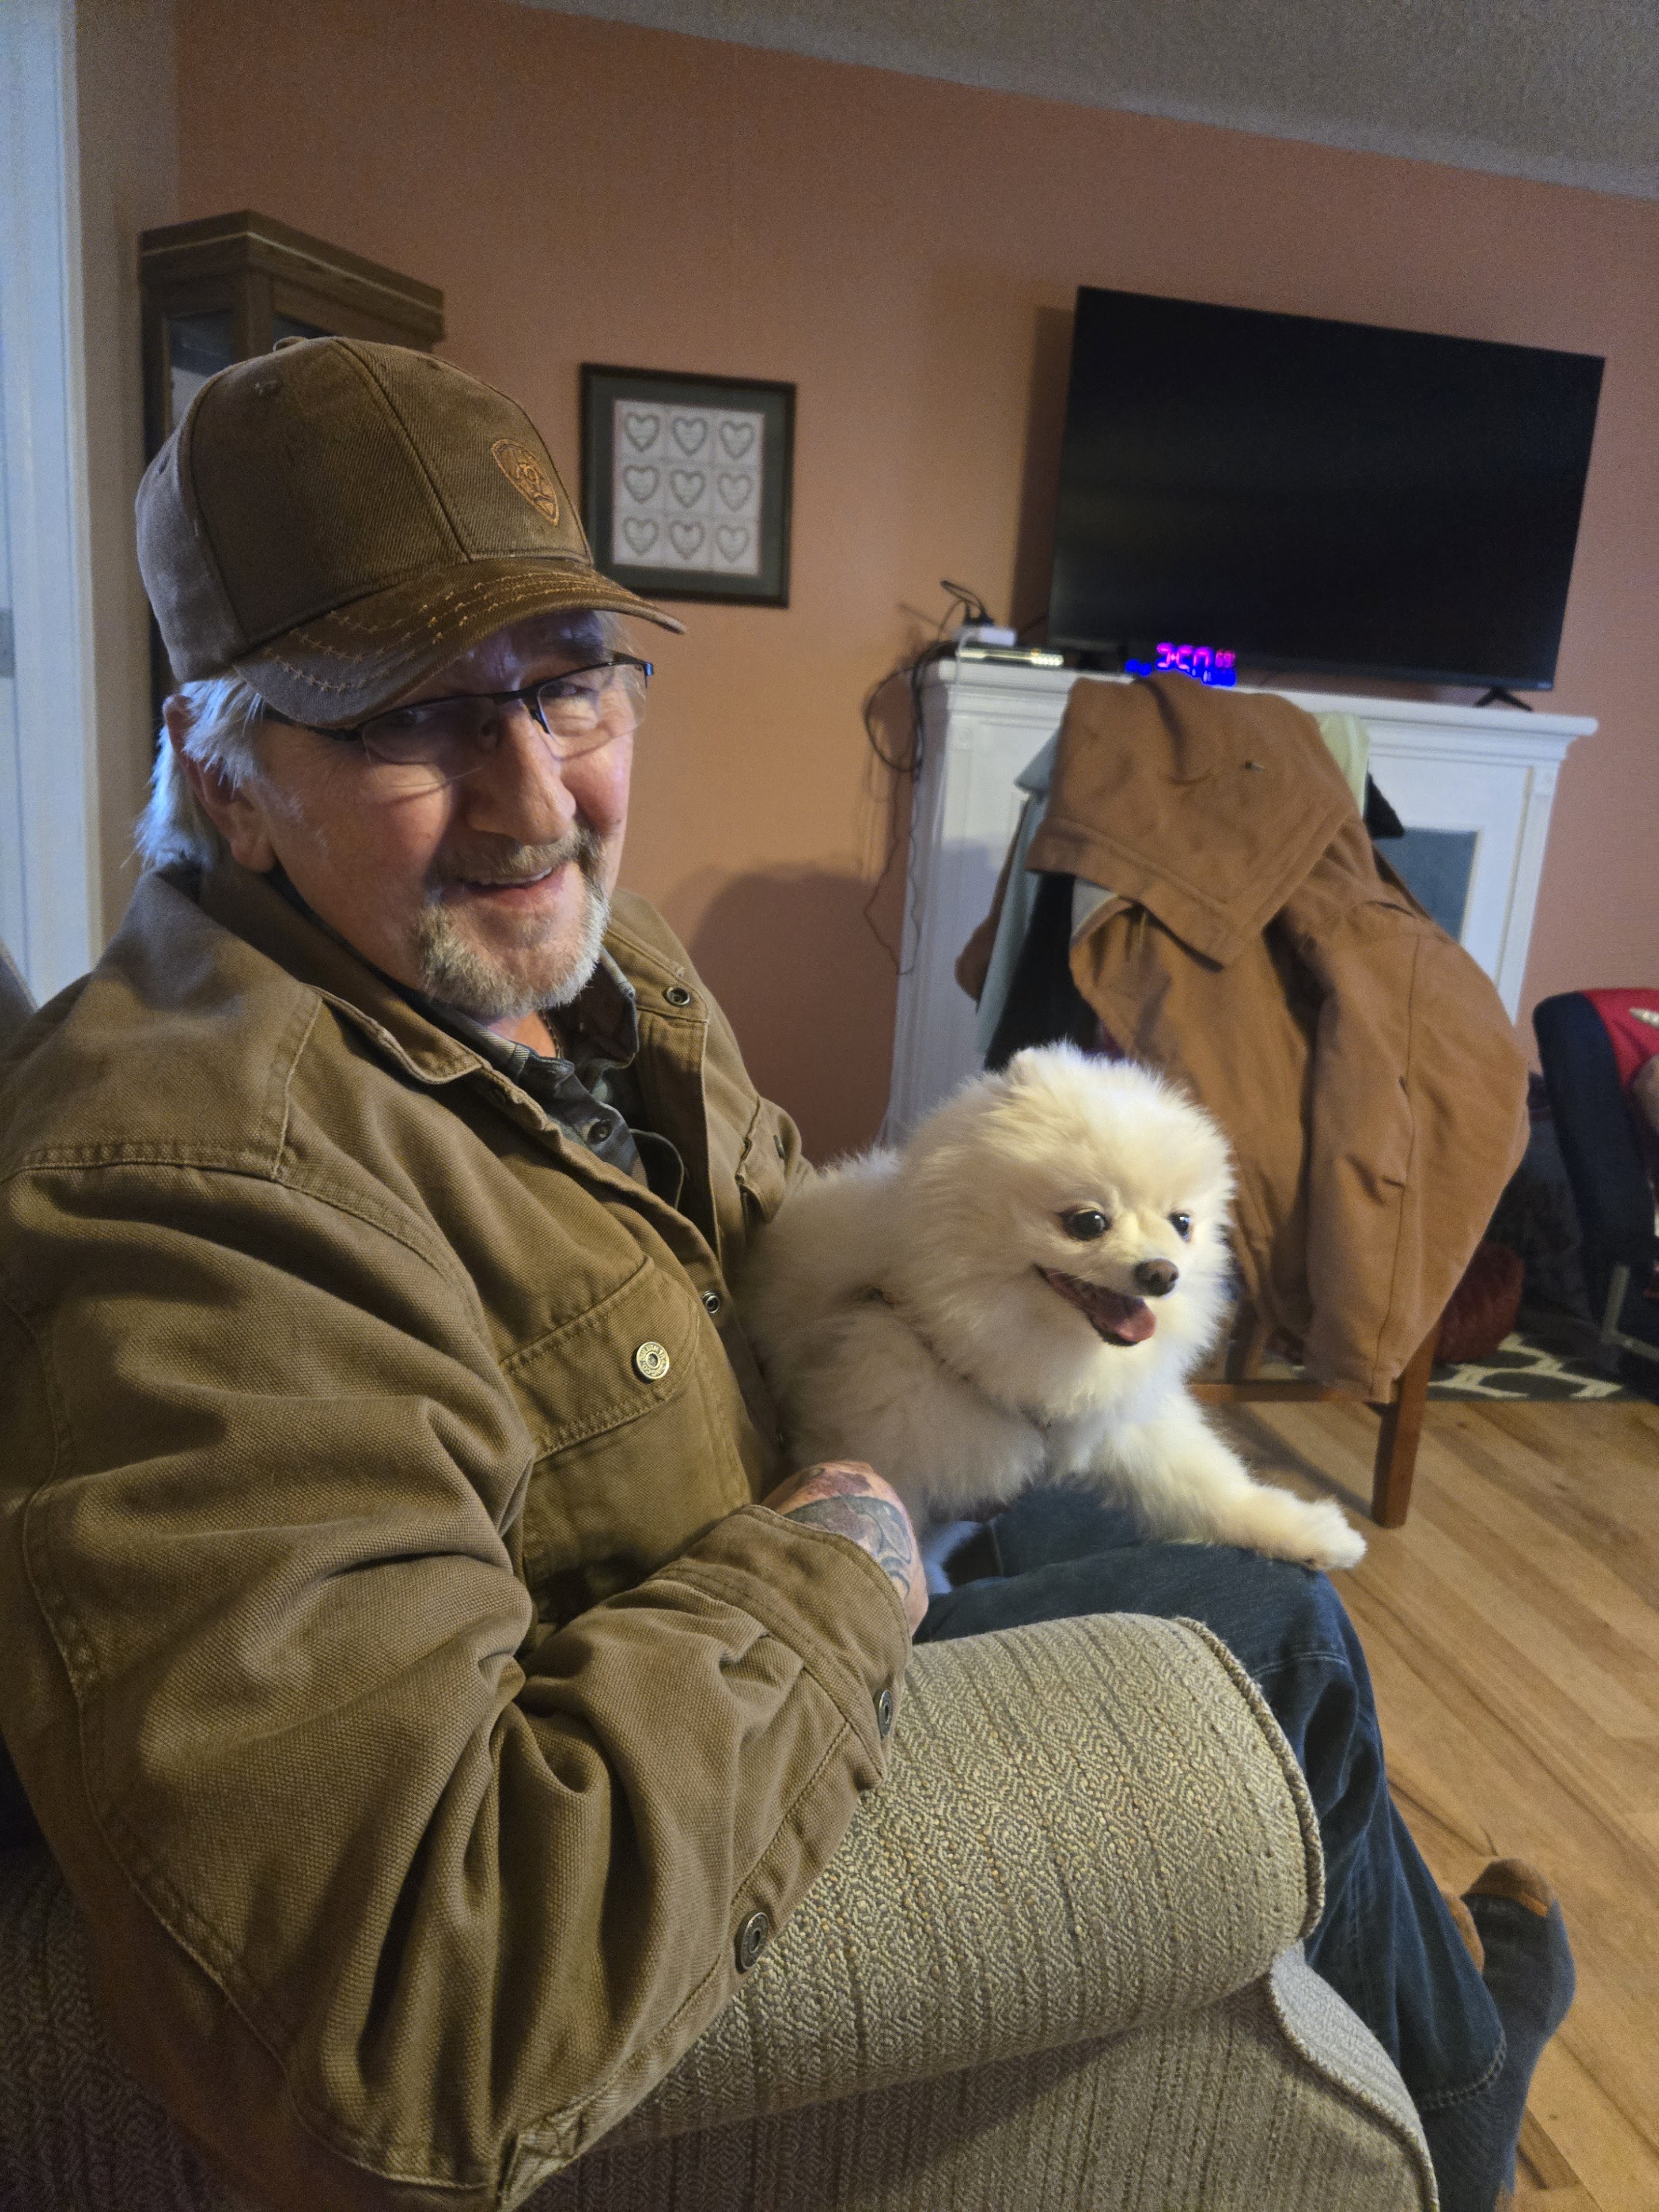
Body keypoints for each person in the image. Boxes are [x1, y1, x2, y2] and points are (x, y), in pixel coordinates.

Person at [0, 339, 1569, 2212]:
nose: (536, 801)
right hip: (687, 1716)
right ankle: (1464, 2130)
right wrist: (846, 1544)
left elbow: (753, 1250)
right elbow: (404, 2023)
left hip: (755, 1572)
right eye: (408, 720)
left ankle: (1411, 1993)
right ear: (222, 768)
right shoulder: (192, 1196)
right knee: (1284, 1642)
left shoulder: (574, 960)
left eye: (572, 685)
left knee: (1225, 1537)